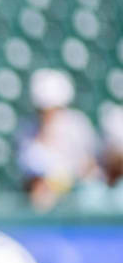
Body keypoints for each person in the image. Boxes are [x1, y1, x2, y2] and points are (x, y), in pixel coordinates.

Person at [17, 68, 102, 211]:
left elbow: (90, 165)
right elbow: (32, 172)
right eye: (43, 109)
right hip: (47, 199)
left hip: (80, 194)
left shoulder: (78, 125)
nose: (48, 114)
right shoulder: (28, 130)